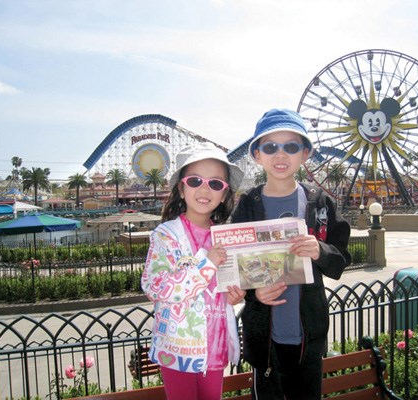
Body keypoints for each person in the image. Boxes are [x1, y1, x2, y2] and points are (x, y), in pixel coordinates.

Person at [231, 108, 352, 400]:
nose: (280, 155)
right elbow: (232, 267)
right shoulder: (248, 205)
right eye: (270, 147)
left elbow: (340, 260)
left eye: (291, 147)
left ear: (305, 153)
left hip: (308, 338)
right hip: (265, 340)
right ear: (257, 155)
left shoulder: (318, 202)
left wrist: (319, 250)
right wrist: (254, 294)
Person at [141, 142, 246, 400]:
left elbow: (223, 289)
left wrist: (236, 297)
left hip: (215, 345)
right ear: (182, 187)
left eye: (215, 184)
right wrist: (206, 264)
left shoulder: (224, 237)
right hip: (178, 349)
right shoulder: (166, 235)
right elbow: (155, 287)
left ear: (224, 193)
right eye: (196, 180)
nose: (204, 189)